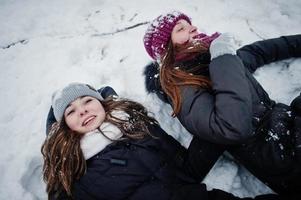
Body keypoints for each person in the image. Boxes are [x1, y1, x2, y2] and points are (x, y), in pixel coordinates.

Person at [41, 82, 297, 200]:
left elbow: (179, 163)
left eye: (87, 101)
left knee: (223, 124)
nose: (83, 110)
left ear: (101, 104)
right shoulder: (71, 162)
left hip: (187, 186)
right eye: (71, 111)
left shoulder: (132, 122)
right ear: (63, 127)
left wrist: (218, 123)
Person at [142, 11, 301, 195]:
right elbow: (231, 127)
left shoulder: (215, 57)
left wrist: (222, 55)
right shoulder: (182, 87)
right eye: (181, 28)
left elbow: (261, 51)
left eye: (189, 24)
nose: (193, 27)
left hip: (290, 120)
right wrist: (222, 57)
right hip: (282, 154)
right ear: (167, 47)